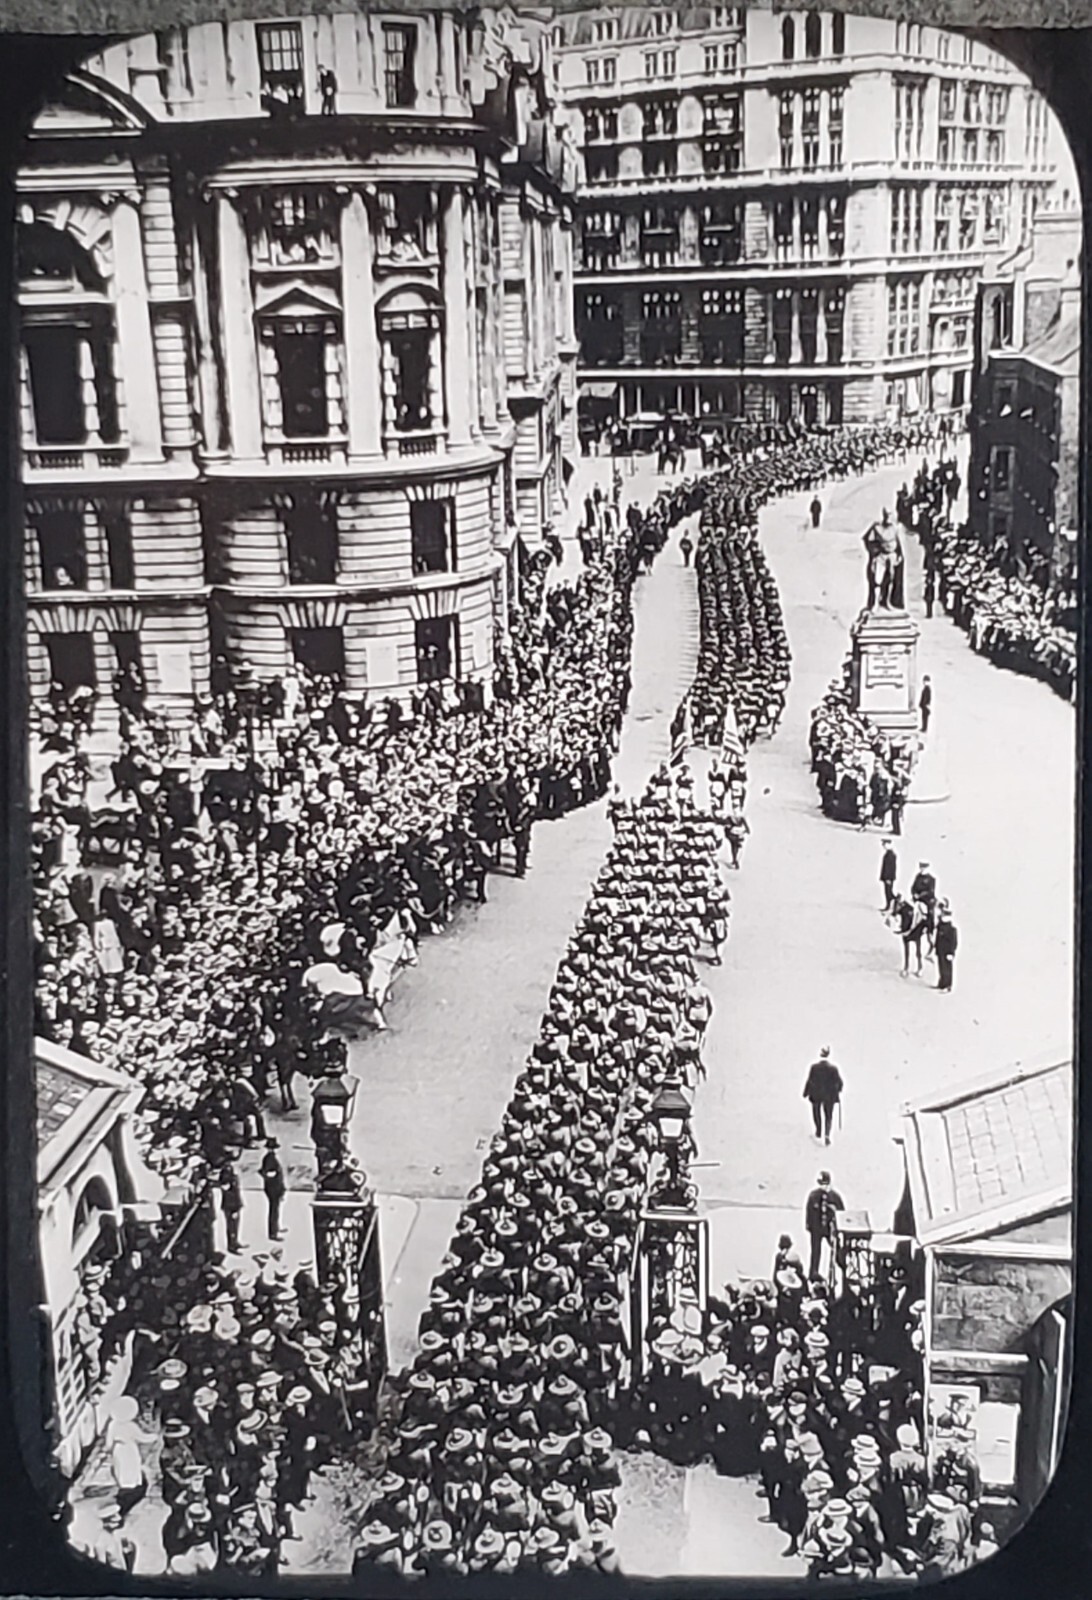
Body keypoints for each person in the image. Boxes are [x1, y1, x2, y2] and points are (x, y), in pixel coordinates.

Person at [804, 1171, 845, 1284]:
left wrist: (838, 1229)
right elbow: (809, 1212)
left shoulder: (835, 1197)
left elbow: (841, 1213)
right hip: (816, 1229)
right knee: (815, 1252)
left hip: (829, 1229)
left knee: (837, 1251)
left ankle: (844, 1269)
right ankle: (813, 1273)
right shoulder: (813, 1196)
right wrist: (809, 1226)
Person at [802, 1046, 843, 1146]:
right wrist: (838, 1090)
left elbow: (810, 1081)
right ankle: (827, 1134)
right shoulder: (833, 1069)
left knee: (816, 1113)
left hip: (816, 1094)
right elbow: (840, 1083)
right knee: (828, 1115)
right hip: (829, 1096)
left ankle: (818, 1130)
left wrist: (805, 1092)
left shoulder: (814, 1068)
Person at [259, 1141, 286, 1242]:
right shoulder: (269, 1159)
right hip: (273, 1187)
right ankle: (273, 1232)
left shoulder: (270, 1158)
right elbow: (268, 1172)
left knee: (275, 1209)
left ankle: (276, 1228)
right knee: (274, 1210)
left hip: (274, 1187)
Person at [934, 905, 959, 992]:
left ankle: (948, 985)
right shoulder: (940, 927)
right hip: (940, 951)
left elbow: (953, 942)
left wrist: (951, 952)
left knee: (947, 968)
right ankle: (942, 983)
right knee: (941, 967)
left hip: (947, 952)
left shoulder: (951, 929)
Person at [879, 839, 898, 911]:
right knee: (888, 892)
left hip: (888, 878)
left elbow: (891, 868)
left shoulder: (890, 855)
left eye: (884, 844)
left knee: (888, 893)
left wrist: (888, 878)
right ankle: (890, 905)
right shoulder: (889, 853)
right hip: (887, 877)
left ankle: (890, 905)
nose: (883, 846)